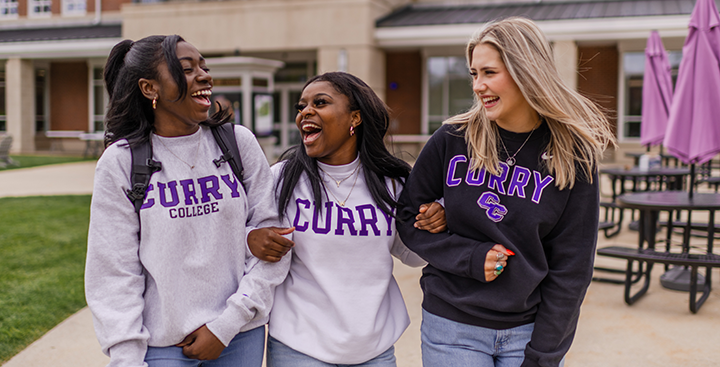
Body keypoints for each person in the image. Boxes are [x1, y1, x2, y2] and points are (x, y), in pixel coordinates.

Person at [396, 17, 616, 367]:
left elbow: (571, 269)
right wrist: (467, 256)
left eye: (489, 72)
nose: (478, 86)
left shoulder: (573, 156)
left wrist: (543, 355)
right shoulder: (453, 139)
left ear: (525, 71)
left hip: (527, 331)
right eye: (474, 74)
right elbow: (407, 216)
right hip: (452, 325)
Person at [85, 35, 291, 367]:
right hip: (162, 345)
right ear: (150, 88)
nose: (205, 76)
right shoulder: (121, 163)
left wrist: (226, 325)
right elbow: (113, 272)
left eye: (204, 67)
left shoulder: (237, 143)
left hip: (239, 336)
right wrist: (126, 356)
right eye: (187, 68)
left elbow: (276, 242)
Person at [248, 71, 447, 366]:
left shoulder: (392, 183)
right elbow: (233, 230)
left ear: (355, 118)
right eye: (301, 106)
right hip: (299, 348)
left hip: (374, 351)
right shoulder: (282, 178)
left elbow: (414, 256)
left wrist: (435, 220)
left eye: (320, 102)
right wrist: (250, 238)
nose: (305, 112)